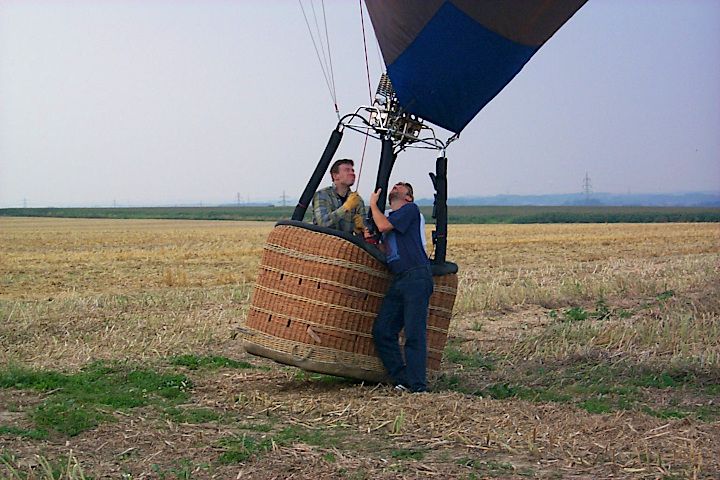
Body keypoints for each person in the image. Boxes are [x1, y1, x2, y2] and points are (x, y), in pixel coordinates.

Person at [369, 182, 434, 393]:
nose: (395, 186)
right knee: (383, 330)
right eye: (395, 185)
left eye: (401, 186)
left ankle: (418, 387)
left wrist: (372, 204)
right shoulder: (391, 218)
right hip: (399, 279)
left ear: (408, 197)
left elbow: (383, 227)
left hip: (416, 276)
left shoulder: (410, 210)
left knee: (414, 334)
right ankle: (403, 378)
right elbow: (383, 245)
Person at [312, 159, 366, 235]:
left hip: (346, 245)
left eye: (353, 171)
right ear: (335, 176)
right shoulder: (323, 195)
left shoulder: (357, 200)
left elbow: (365, 231)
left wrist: (360, 229)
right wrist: (345, 208)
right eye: (347, 170)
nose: (352, 173)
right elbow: (323, 224)